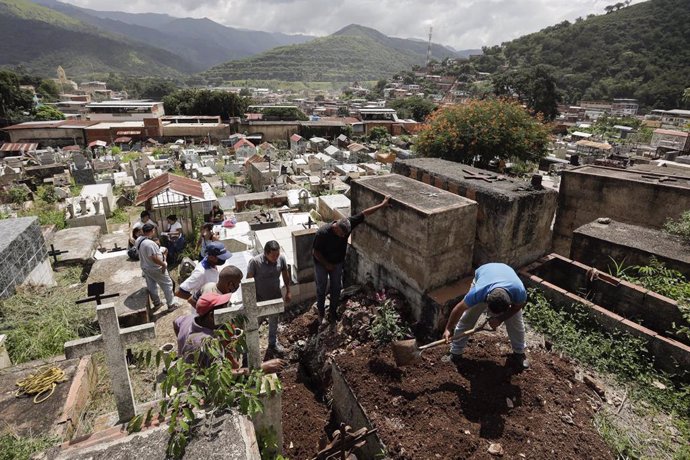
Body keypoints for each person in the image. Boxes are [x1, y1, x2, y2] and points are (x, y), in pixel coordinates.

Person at [312, 195, 390, 323]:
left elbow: (364, 214)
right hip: (322, 262)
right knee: (321, 287)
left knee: (336, 287)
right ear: (336, 228)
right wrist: (326, 264)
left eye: (345, 234)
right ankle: (321, 313)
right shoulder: (323, 233)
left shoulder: (347, 224)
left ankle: (332, 313)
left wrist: (382, 204)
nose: (344, 236)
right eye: (342, 234)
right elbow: (315, 252)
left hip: (337, 263)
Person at [443, 263, 529, 370]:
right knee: (468, 318)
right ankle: (455, 352)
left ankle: (519, 352)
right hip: (485, 274)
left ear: (509, 302)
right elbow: (459, 309)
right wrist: (448, 328)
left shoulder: (519, 291)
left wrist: (500, 319)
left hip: (505, 275)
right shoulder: (478, 292)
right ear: (487, 301)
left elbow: (518, 307)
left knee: (516, 322)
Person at [174, 291, 286, 374]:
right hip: (202, 391)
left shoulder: (189, 319)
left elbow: (176, 323)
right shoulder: (207, 345)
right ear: (211, 316)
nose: (229, 312)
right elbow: (225, 375)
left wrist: (182, 345)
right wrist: (262, 368)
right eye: (225, 309)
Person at [247, 240, 291, 355]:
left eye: (277, 254)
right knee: (254, 324)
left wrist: (288, 291)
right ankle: (250, 348)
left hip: (275, 298)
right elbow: (248, 282)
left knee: (273, 322)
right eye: (273, 255)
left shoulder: (281, 259)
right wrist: (250, 301)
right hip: (259, 300)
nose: (276, 258)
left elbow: (285, 275)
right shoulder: (255, 262)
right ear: (266, 253)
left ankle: (272, 344)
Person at [176, 241, 231, 307]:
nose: (223, 260)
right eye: (221, 258)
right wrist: (201, 303)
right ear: (211, 257)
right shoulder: (201, 273)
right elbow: (180, 292)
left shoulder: (213, 265)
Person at [137, 223, 175, 310]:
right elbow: (153, 258)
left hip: (145, 267)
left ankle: (157, 303)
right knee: (167, 284)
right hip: (155, 268)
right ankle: (171, 305)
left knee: (152, 286)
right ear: (152, 231)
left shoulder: (139, 240)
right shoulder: (150, 244)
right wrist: (163, 264)